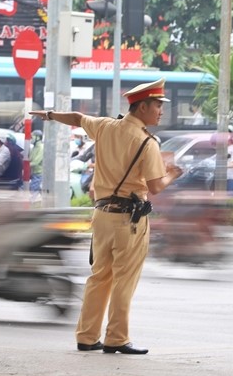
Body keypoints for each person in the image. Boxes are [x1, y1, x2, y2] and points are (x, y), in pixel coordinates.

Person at [30, 78, 183, 355]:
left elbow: (76, 118)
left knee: (99, 277)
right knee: (124, 280)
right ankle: (116, 338)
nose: (161, 111)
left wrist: (50, 115)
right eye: (158, 106)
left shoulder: (105, 126)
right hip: (130, 221)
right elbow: (156, 187)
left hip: (102, 216)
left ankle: (87, 336)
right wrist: (172, 173)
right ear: (143, 106)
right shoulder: (146, 142)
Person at [29, 130, 44, 201]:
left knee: (33, 190)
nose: (31, 139)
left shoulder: (41, 148)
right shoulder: (33, 148)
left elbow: (36, 161)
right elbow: (30, 159)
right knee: (36, 189)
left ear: (38, 138)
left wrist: (27, 166)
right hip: (33, 173)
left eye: (32, 137)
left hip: (39, 173)